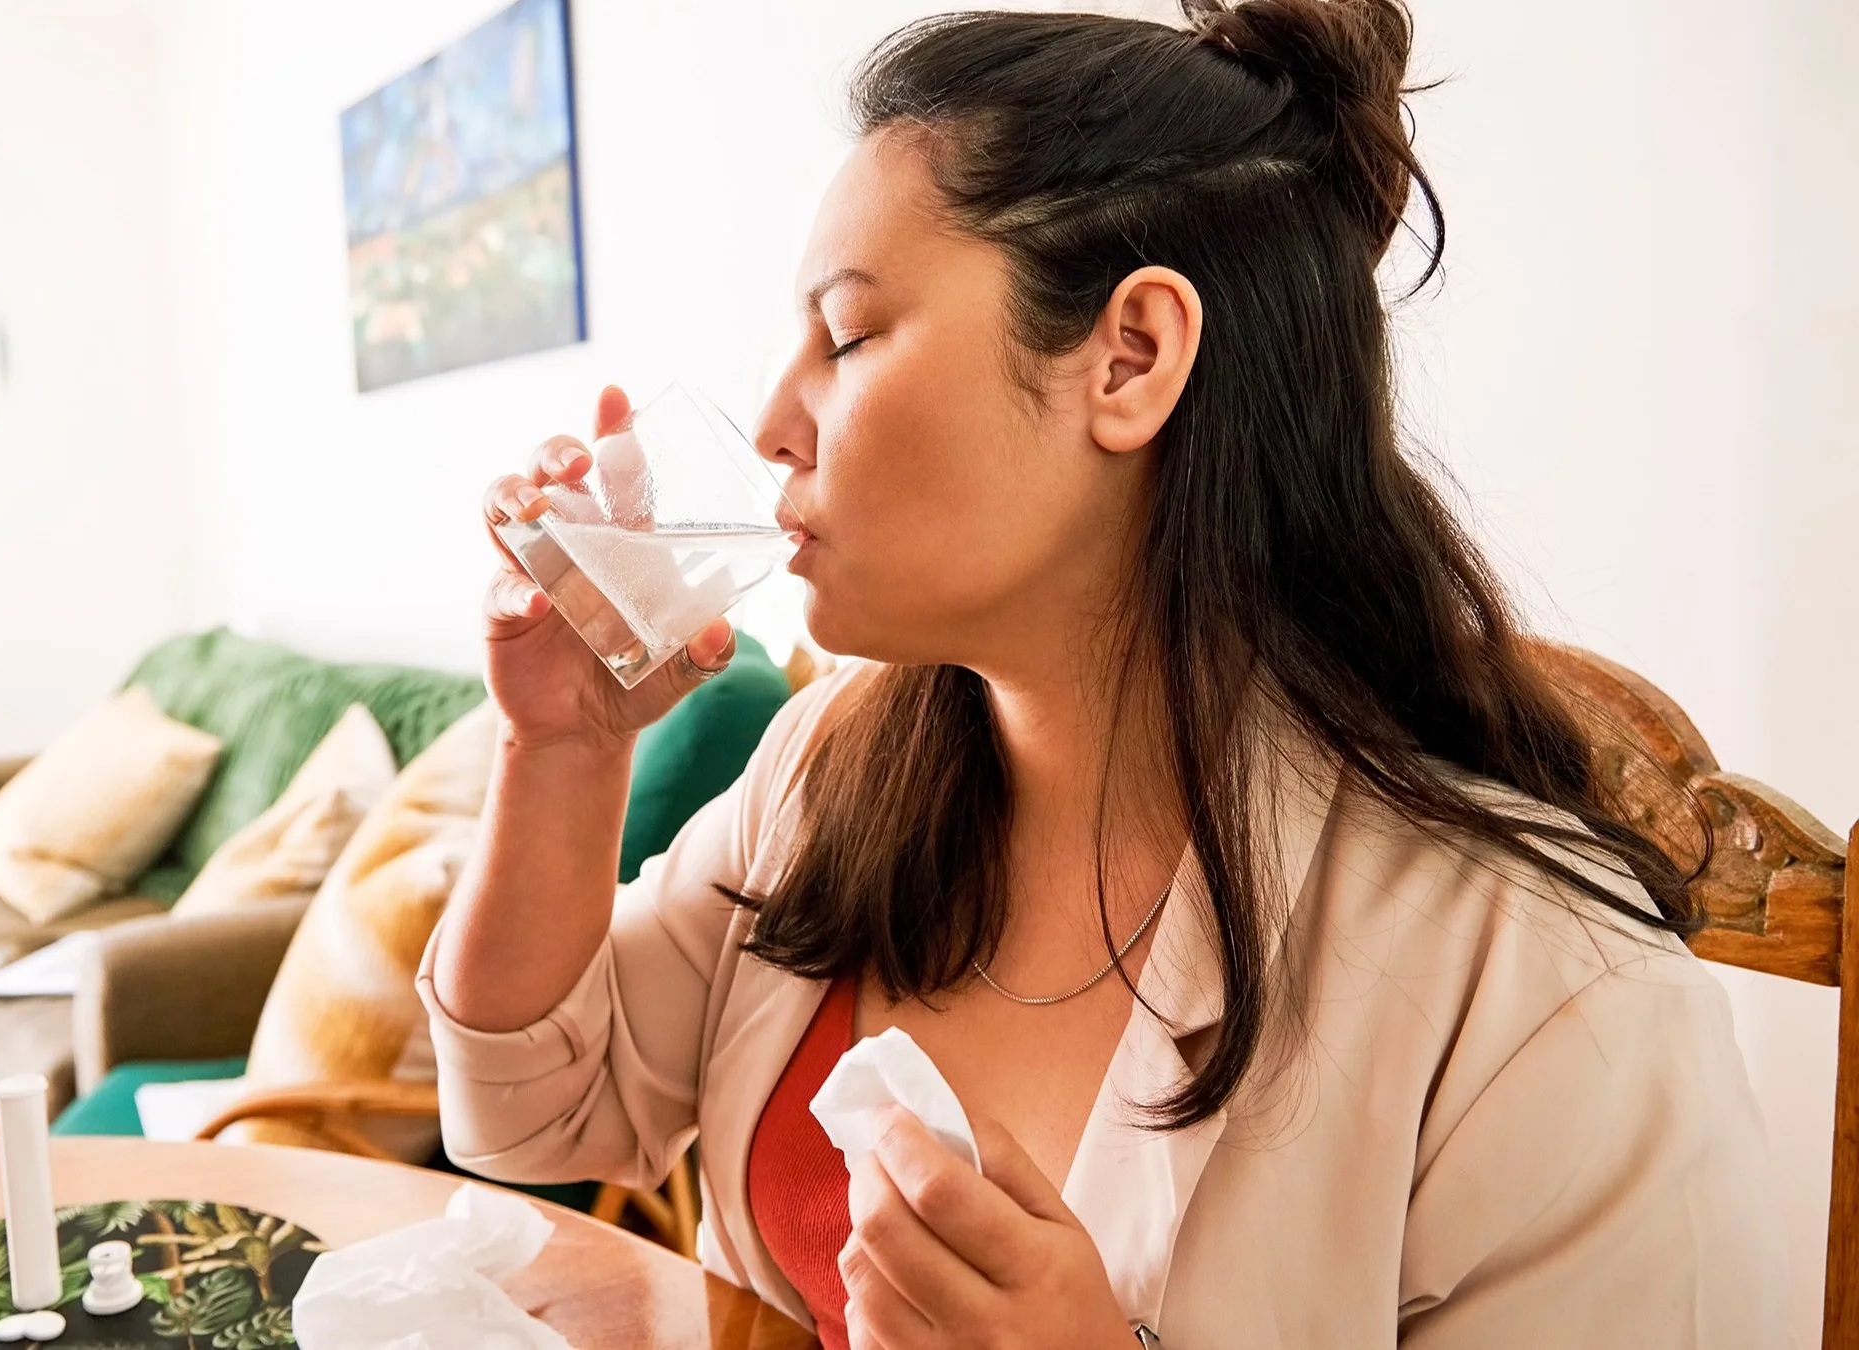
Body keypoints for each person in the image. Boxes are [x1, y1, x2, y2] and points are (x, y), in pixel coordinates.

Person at [426, 1, 1783, 1346]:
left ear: (1129, 358)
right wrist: (562, 750)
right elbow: (530, 1115)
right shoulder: (830, 765)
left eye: (846, 337)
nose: (779, 421)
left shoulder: (1556, 1008)